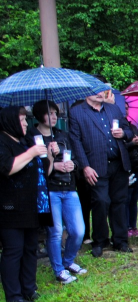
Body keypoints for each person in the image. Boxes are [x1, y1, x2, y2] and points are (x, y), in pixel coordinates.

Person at [69, 86, 133, 257]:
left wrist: (123, 134)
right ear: (86, 92)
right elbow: (76, 142)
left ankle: (120, 240)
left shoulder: (113, 108)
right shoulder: (77, 112)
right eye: (95, 90)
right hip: (96, 165)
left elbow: (129, 131)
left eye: (101, 90)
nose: (100, 93)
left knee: (119, 202)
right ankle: (100, 241)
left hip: (118, 163)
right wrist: (85, 166)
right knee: (100, 201)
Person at [0, 106, 51, 302]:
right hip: (10, 206)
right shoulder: (3, 142)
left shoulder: (24, 140)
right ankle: (14, 296)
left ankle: (29, 289)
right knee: (14, 250)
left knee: (30, 248)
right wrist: (31, 152)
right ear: (10, 122)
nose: (25, 124)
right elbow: (8, 168)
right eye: (21, 121)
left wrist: (50, 153)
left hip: (32, 205)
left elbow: (43, 170)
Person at [33, 101, 86, 284]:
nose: (54, 117)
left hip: (69, 187)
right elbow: (35, 169)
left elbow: (75, 158)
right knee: (55, 232)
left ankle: (68, 261)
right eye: (50, 113)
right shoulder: (33, 137)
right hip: (50, 191)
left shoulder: (62, 135)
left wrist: (73, 165)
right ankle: (58, 269)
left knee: (78, 230)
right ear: (40, 115)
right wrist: (52, 160)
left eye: (56, 113)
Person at [122, 117, 138, 238]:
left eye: (127, 108)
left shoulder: (133, 127)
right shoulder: (117, 129)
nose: (126, 111)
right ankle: (126, 227)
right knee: (127, 198)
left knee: (134, 199)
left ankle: (133, 226)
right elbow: (120, 148)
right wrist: (132, 143)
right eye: (123, 108)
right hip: (127, 167)